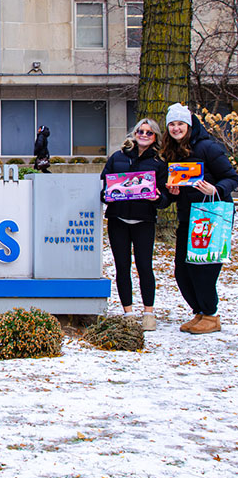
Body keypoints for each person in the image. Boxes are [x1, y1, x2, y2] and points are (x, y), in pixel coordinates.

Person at [163, 103, 238, 334]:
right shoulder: (173, 152)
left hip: (212, 216)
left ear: (189, 125)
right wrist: (173, 193)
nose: (176, 128)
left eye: (180, 124)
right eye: (172, 124)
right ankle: (200, 311)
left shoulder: (207, 147)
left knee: (203, 268)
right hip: (188, 216)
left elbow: (232, 178)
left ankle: (211, 315)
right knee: (182, 270)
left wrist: (216, 189)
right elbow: (179, 187)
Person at [101, 118, 169, 330]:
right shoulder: (118, 157)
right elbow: (104, 187)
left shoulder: (159, 162)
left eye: (149, 132)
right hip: (118, 220)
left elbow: (166, 198)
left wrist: (158, 198)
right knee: (122, 267)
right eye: (141, 131)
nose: (144, 135)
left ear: (155, 137)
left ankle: (148, 313)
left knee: (145, 267)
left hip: (144, 221)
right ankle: (128, 312)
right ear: (134, 133)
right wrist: (106, 196)